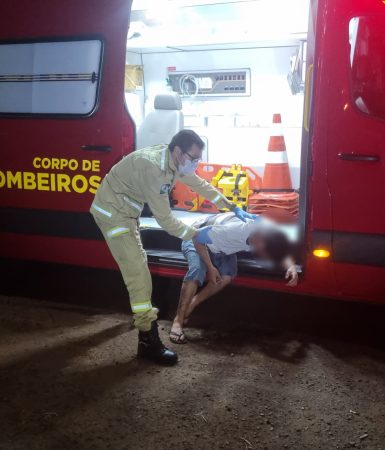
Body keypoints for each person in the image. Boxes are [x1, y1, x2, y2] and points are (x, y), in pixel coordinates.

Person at [90, 130, 255, 365]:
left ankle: (142, 320)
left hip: (126, 210)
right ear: (178, 151)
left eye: (199, 159)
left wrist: (229, 206)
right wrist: (198, 235)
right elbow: (166, 221)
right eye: (193, 158)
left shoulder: (171, 160)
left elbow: (198, 183)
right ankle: (147, 340)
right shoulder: (155, 170)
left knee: (138, 266)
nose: (195, 163)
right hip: (114, 215)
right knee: (139, 275)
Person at [169, 212, 298, 344]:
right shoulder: (235, 231)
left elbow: (281, 250)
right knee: (197, 270)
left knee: (226, 276)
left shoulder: (270, 231)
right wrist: (211, 267)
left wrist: (291, 266)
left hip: (221, 247)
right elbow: (197, 237)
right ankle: (178, 320)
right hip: (195, 238)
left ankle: (192, 304)